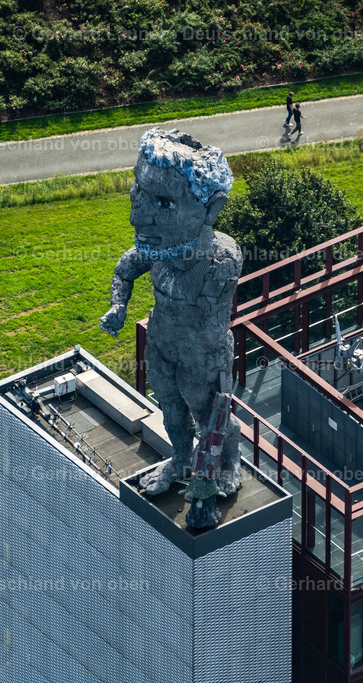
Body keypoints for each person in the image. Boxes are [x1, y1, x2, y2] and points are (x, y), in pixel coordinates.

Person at [100, 128, 243, 526]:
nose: (136, 215)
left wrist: (162, 254)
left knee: (210, 416)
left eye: (162, 202)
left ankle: (212, 482)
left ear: (211, 210)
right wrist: (118, 306)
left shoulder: (223, 260)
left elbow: (190, 286)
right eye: (138, 194)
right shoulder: (157, 250)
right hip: (163, 343)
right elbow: (125, 269)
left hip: (203, 355)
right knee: (171, 409)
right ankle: (179, 458)